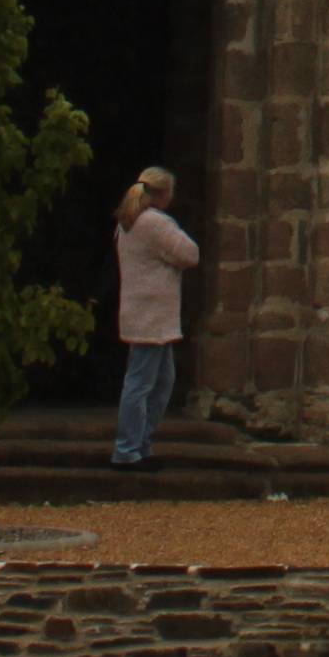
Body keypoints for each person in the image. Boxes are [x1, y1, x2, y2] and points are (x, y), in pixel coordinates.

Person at [111, 167, 200, 468]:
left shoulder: (129, 221)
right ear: (163, 193)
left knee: (161, 382)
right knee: (141, 383)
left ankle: (141, 444)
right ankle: (128, 449)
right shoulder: (155, 223)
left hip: (148, 312)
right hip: (151, 315)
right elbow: (190, 254)